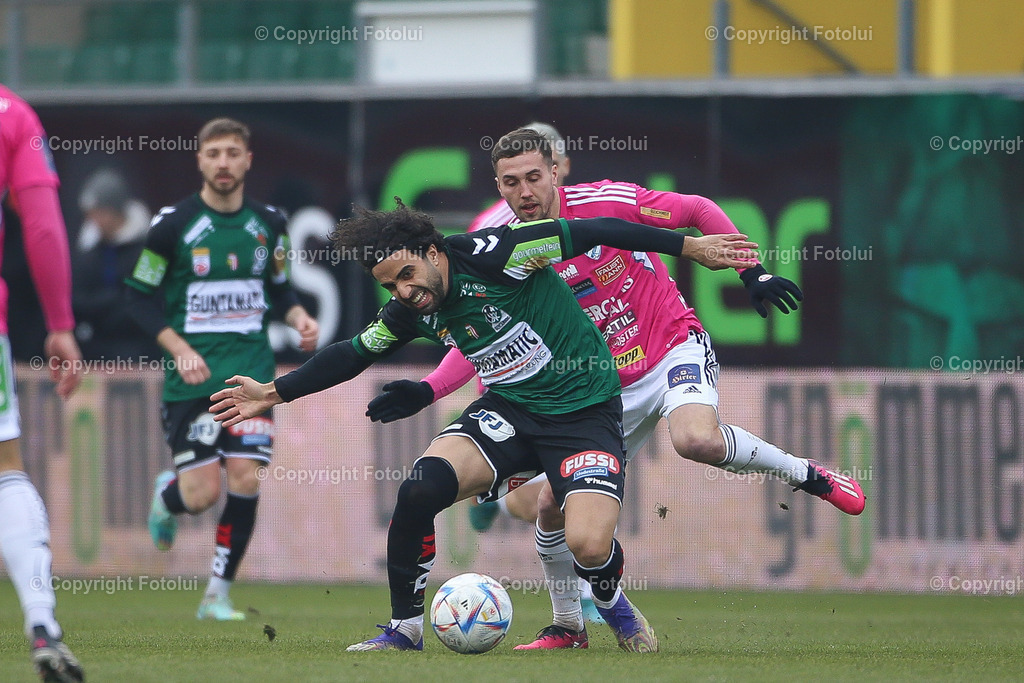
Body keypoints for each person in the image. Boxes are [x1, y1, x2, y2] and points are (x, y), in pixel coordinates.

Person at [365, 128, 865, 650]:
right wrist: (427, 388)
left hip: (668, 344)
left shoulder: (606, 201)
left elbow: (695, 210)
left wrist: (752, 272)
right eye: (512, 182)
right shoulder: (496, 242)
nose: (526, 191)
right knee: (551, 511)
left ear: (557, 171)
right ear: (498, 185)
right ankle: (568, 627)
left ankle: (805, 475)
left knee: (696, 439)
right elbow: (472, 338)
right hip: (599, 390)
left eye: (536, 176)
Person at [208, 198, 755, 653]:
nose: (402, 291)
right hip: (512, 410)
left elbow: (598, 229)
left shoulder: (504, 252)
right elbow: (353, 352)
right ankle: (403, 630)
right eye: (389, 284)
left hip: (583, 412)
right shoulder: (409, 309)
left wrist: (691, 246)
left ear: (432, 252)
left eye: (407, 274)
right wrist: (274, 392)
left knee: (589, 546)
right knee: (420, 487)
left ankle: (612, 605)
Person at [125, 118, 319, 621]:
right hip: (190, 381)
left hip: (251, 377)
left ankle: (217, 595)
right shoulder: (172, 225)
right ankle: (167, 499)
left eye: (233, 152)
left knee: (245, 477)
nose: (224, 163)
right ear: (200, 160)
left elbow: (278, 287)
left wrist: (297, 315)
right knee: (201, 492)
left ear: (248, 159)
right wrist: (178, 347)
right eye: (214, 154)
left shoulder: (269, 223)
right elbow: (138, 298)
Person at [0, 82, 85, 682]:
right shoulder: (11, 114)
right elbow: (45, 226)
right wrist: (60, 323)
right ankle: (42, 623)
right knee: (6, 473)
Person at [73, 167, 159, 361]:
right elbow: (77, 302)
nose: (95, 220)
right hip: (94, 354)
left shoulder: (148, 253)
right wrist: (112, 300)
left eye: (101, 213)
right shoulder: (87, 254)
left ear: (117, 212)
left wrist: (104, 307)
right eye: (91, 214)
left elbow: (146, 306)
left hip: (140, 355)